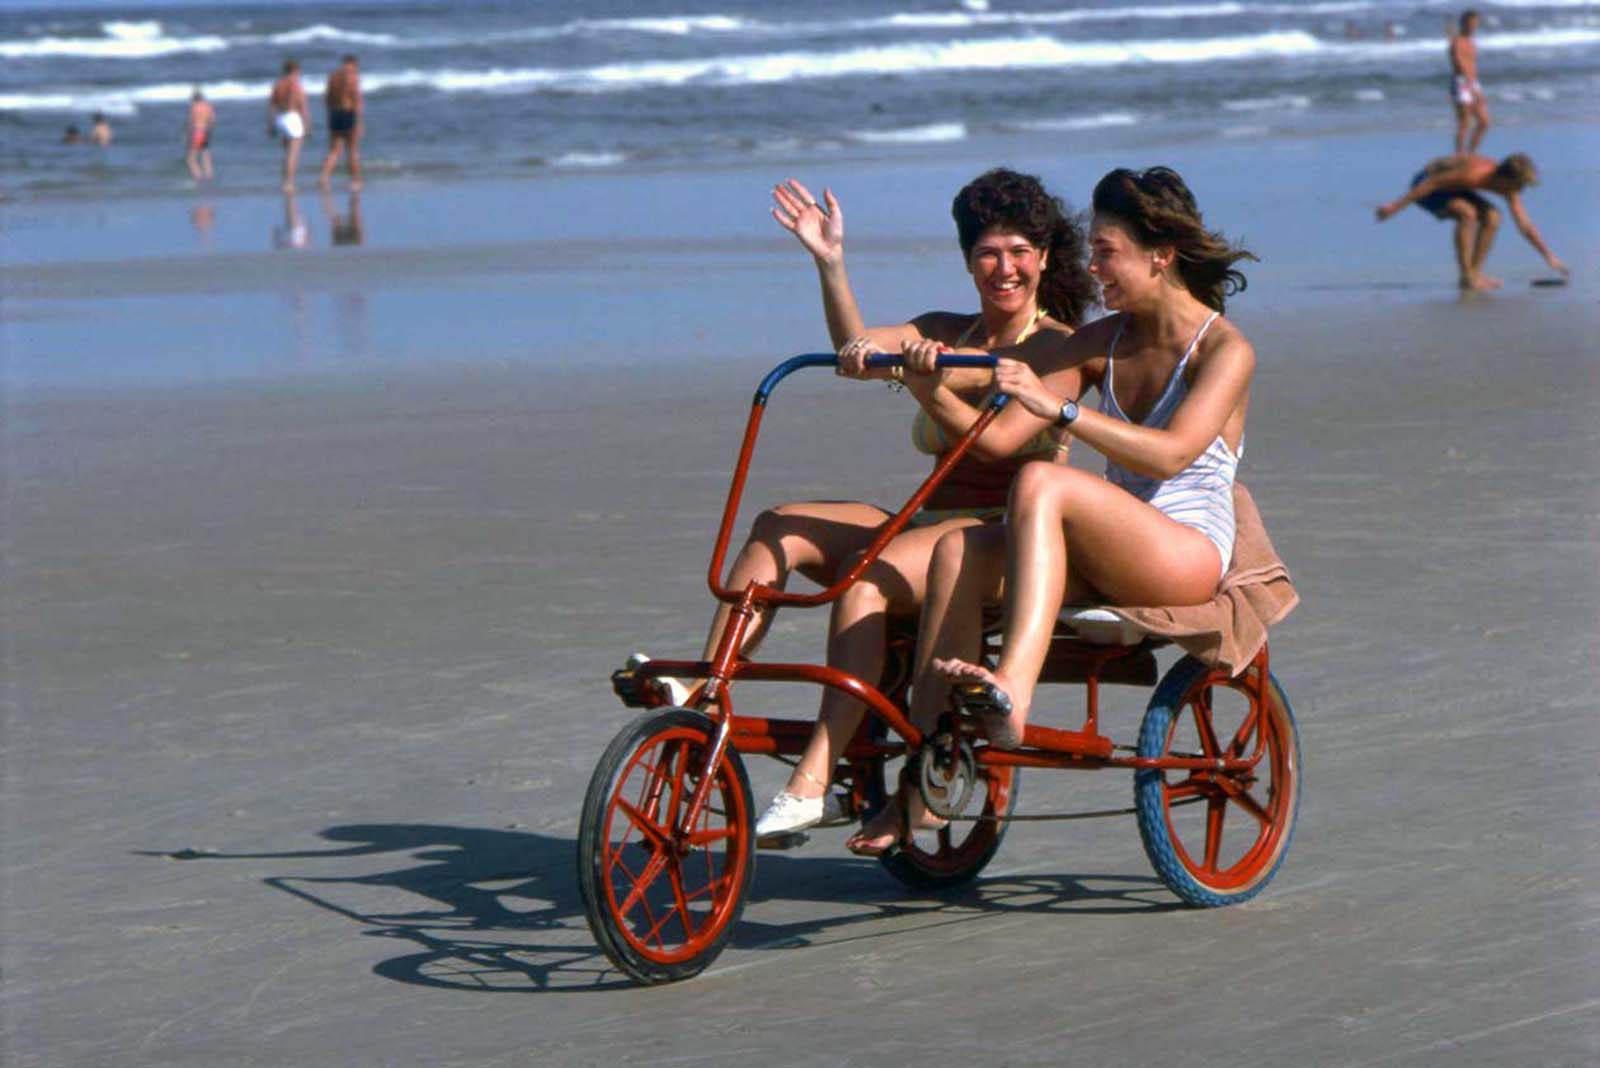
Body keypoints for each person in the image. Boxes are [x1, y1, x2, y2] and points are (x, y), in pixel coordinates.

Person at [666, 170, 1097, 844]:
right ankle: (706, 689)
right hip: (926, 521)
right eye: (987, 253)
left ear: (1042, 258)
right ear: (968, 262)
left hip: (1002, 538)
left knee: (863, 577)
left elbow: (997, 445)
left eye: (1018, 251)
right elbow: (858, 348)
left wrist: (926, 388)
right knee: (780, 526)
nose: (1004, 268)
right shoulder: (946, 330)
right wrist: (830, 262)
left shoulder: (1060, 349)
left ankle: (812, 779)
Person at [852, 166, 1258, 854]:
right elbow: (996, 383)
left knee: (1042, 481)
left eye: (1106, 251)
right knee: (960, 551)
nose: (1091, 267)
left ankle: (1012, 691)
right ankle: (929, 773)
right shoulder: (1106, 338)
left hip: (1185, 553)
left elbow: (1169, 456)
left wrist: (1063, 410)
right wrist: (913, 371)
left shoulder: (1225, 349)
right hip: (1112, 544)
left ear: (1160, 254)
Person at [1375, 152, 1567, 291]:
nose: (1520, 190)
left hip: (1454, 187)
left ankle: (1475, 273)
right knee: (1467, 213)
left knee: (1493, 217)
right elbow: (1430, 184)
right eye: (1519, 185)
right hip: (1426, 184)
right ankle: (1466, 276)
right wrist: (1394, 207)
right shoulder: (1474, 173)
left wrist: (1549, 257)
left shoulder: (1509, 188)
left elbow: (1524, 225)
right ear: (1504, 178)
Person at [318, 54, 364, 190]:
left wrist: (329, 116)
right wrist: (359, 122)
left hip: (334, 113)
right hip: (348, 113)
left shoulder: (333, 77)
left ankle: (324, 177)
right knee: (352, 150)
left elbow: (327, 99)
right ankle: (355, 180)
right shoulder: (353, 77)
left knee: (334, 150)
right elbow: (357, 99)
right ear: (354, 64)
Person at [268, 59, 311, 191]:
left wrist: (271, 124)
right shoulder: (296, 85)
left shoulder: (277, 85)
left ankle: (285, 181)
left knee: (287, 153)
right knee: (293, 154)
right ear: (295, 71)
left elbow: (272, 106)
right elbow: (303, 106)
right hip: (292, 117)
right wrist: (307, 125)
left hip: (280, 117)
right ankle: (289, 182)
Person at [1449, 11, 1489, 156]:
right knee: (1464, 123)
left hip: (1473, 81)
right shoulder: (1457, 42)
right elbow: (1459, 65)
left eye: (1475, 24)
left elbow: (1472, 64)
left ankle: (1471, 153)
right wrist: (1471, 87)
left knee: (1484, 121)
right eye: (1471, 24)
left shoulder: (1471, 42)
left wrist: (1475, 86)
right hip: (1461, 83)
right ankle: (1460, 156)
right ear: (1463, 24)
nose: (1474, 27)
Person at [185, 89, 216, 182]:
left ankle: (199, 178)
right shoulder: (208, 106)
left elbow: (191, 122)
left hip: (197, 132)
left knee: (191, 159)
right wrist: (209, 132)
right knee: (206, 157)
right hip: (206, 131)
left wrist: (188, 136)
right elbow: (213, 121)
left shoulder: (194, 107)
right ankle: (209, 179)